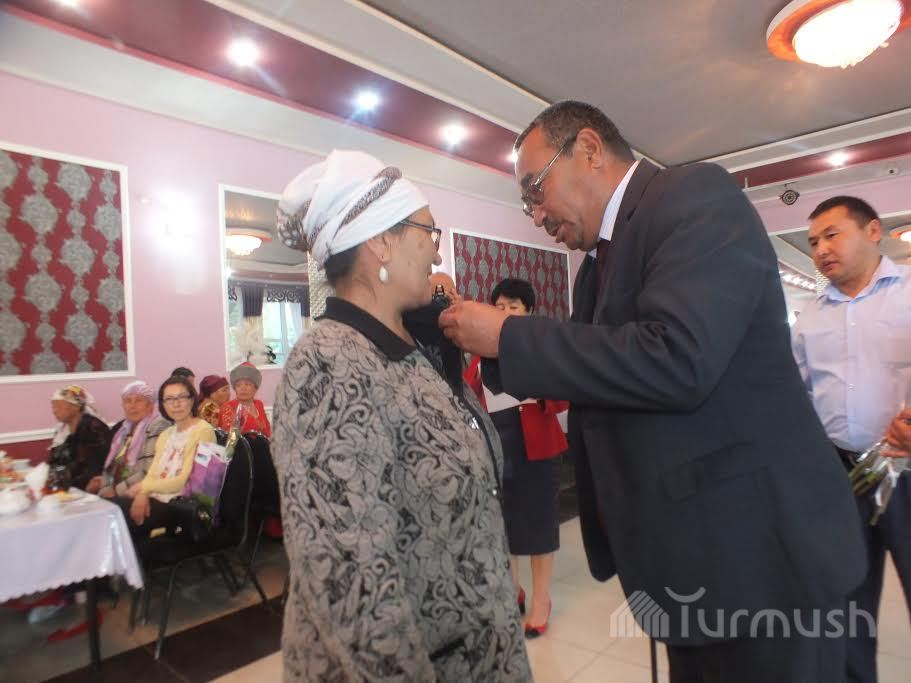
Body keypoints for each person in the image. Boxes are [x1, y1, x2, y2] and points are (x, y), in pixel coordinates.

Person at [439, 100, 867, 681]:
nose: (536, 215)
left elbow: (678, 357)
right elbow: (599, 372)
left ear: (589, 150)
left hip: (760, 561)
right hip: (694, 563)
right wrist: (489, 345)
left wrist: (510, 336)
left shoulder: (694, 197)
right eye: (526, 202)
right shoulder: (595, 268)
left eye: (536, 189)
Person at [271, 149, 530, 681]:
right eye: (428, 232)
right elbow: (352, 589)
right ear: (381, 241)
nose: (436, 252)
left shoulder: (412, 349)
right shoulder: (328, 363)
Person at [791, 196, 911, 683]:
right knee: (846, 607)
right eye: (812, 242)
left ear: (873, 231)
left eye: (831, 234)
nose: (820, 249)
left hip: (907, 474)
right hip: (842, 478)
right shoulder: (810, 317)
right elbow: (797, 396)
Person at [465, 277, 568, 638]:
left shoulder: (542, 347)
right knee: (502, 525)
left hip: (537, 449)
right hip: (496, 449)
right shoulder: (482, 352)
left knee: (539, 524)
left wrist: (537, 392)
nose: (506, 312)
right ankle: (512, 590)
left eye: (514, 306)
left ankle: (541, 600)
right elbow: (467, 394)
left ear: (529, 311)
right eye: (500, 306)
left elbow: (565, 392)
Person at [112, 376, 215, 537]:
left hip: (182, 503)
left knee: (120, 514)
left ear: (192, 400)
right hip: (157, 496)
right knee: (113, 509)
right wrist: (143, 494)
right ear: (163, 404)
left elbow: (184, 481)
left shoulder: (204, 431)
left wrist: (143, 489)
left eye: (182, 397)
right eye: (169, 399)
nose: (176, 404)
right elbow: (153, 473)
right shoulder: (166, 434)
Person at [86, 381, 169, 498]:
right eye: (127, 401)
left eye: (138, 401)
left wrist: (117, 491)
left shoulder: (159, 426)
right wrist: (106, 487)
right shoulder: (123, 430)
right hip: (118, 493)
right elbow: (111, 466)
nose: (132, 406)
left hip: (143, 494)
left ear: (150, 405)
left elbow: (151, 470)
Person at [48, 385, 111, 490]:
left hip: (93, 487)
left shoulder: (93, 428)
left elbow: (91, 468)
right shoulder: (64, 430)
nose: (54, 411)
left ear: (76, 407)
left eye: (59, 406)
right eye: (53, 407)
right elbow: (56, 461)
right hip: (72, 487)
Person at [218, 363, 271, 437]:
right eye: (238, 385)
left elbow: (268, 431)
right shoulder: (228, 407)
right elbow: (228, 438)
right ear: (235, 389)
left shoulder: (259, 404)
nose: (243, 388)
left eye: (247, 384)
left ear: (255, 388)